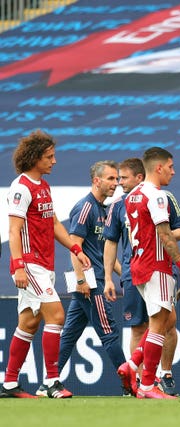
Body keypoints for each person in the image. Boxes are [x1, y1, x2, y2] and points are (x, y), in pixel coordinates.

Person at [1, 130, 91, 399]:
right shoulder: (21, 188)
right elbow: (14, 230)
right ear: (34, 158)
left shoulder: (43, 186)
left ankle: (8, 384)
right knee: (57, 316)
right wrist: (17, 265)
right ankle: (51, 382)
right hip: (29, 264)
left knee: (28, 323)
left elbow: (53, 224)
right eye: (49, 157)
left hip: (45, 264)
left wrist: (76, 248)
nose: (54, 161)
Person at [103, 157, 180, 396]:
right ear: (158, 167)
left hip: (138, 266)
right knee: (157, 325)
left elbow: (174, 230)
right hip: (155, 266)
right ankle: (146, 382)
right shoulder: (156, 196)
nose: (173, 171)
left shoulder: (131, 198)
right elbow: (163, 234)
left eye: (122, 178)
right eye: (171, 167)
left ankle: (134, 367)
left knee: (163, 321)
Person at [44, 161, 129, 396]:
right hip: (90, 282)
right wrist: (82, 280)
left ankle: (48, 382)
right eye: (111, 179)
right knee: (109, 331)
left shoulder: (104, 209)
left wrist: (126, 275)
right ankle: (129, 385)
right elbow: (75, 246)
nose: (116, 184)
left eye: (117, 179)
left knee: (70, 334)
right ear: (96, 181)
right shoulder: (85, 207)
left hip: (93, 279)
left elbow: (105, 254)